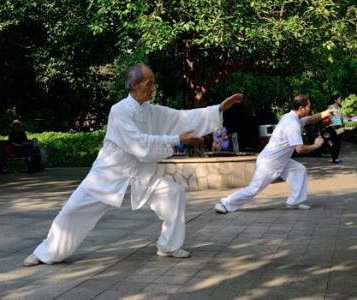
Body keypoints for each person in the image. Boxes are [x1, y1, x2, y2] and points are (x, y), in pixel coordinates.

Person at [23, 63, 243, 266]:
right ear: (134, 85)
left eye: (153, 83)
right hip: (109, 172)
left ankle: (169, 246)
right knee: (73, 210)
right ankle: (46, 252)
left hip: (142, 173)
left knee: (174, 193)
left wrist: (218, 110)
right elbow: (138, 144)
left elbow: (180, 118)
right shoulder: (119, 111)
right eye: (149, 83)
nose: (152, 88)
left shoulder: (151, 110)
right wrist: (177, 140)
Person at [214, 95, 338, 214]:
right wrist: (316, 145)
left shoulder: (291, 117)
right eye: (309, 106)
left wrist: (327, 112)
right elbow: (300, 149)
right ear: (301, 108)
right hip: (270, 163)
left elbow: (310, 119)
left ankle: (295, 201)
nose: (310, 109)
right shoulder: (292, 123)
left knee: (299, 170)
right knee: (253, 189)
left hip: (281, 160)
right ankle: (225, 203)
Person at [327, 95, 344, 164]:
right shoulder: (330, 107)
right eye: (339, 99)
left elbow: (340, 117)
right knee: (335, 142)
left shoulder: (339, 108)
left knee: (339, 143)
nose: (340, 100)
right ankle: (334, 158)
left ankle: (336, 158)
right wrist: (330, 123)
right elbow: (327, 116)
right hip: (333, 126)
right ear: (335, 100)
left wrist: (342, 126)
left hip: (339, 126)